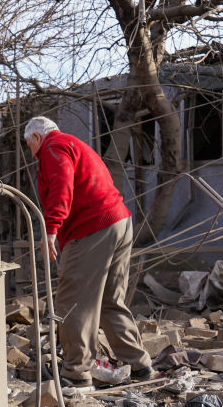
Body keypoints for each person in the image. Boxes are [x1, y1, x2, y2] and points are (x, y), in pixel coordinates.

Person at [24, 116, 154, 387]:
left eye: (29, 145)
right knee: (110, 300)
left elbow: (62, 184)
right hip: (119, 221)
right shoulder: (74, 144)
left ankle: (76, 372)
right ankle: (139, 365)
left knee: (74, 301)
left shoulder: (52, 148)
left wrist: (51, 228)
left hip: (92, 228)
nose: (31, 152)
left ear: (36, 137)